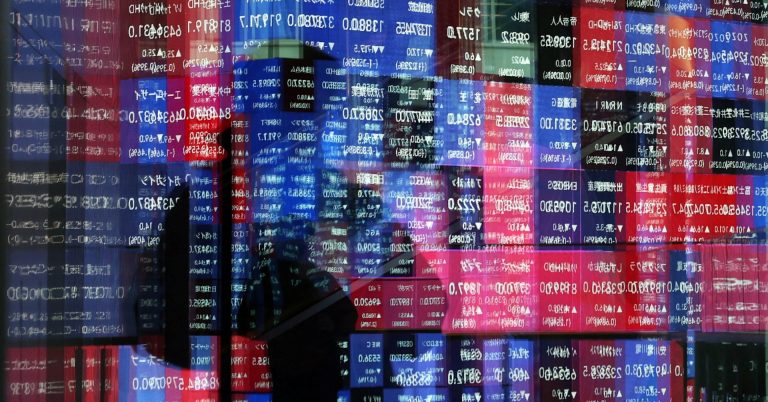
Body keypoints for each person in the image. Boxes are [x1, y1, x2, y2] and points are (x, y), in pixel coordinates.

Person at [237, 217, 358, 402]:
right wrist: (325, 332)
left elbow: (245, 325)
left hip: (289, 376)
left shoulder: (264, 280)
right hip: (318, 376)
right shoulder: (318, 278)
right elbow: (348, 318)